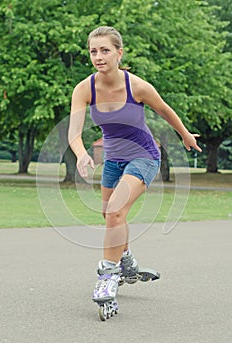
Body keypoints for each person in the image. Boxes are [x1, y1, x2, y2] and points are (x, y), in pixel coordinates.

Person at [68, 26, 202, 314]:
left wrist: (185, 134)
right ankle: (126, 261)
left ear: (119, 52)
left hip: (143, 157)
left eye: (105, 50)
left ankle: (107, 277)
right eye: (94, 51)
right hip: (113, 162)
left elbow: (164, 109)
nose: (99, 56)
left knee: (116, 211)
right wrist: (80, 155)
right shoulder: (84, 89)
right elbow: (74, 133)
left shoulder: (137, 86)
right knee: (111, 216)